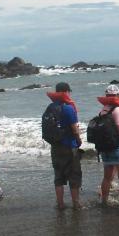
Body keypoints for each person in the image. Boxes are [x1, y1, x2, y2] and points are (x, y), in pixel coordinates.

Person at [47, 82, 83, 210]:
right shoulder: (68, 108)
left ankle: (60, 204)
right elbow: (74, 129)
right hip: (69, 146)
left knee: (58, 176)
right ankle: (76, 203)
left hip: (55, 147)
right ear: (66, 92)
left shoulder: (50, 107)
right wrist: (79, 140)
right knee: (74, 175)